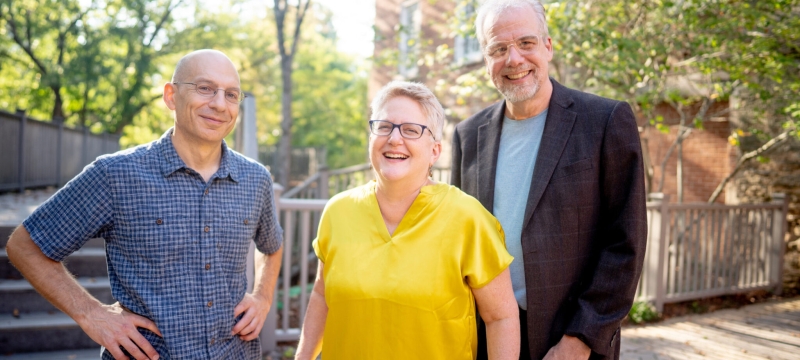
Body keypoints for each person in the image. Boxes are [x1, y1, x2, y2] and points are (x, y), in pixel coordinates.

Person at [6, 49, 283, 360]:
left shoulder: (255, 178)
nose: (219, 103)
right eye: (205, 88)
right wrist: (91, 314)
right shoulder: (115, 174)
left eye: (231, 94)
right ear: (170, 96)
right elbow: (24, 246)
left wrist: (262, 296)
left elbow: (272, 245)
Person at [450, 1, 648, 359]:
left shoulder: (604, 122)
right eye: (498, 49)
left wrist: (581, 339)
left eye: (526, 43)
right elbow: (456, 246)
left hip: (568, 340)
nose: (513, 59)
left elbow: (625, 243)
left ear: (548, 46)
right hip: (485, 341)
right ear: (485, 59)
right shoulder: (467, 136)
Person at [294, 81, 519, 360]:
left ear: (435, 151)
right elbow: (320, 295)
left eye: (412, 130)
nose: (394, 139)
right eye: (384, 126)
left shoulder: (468, 219)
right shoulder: (338, 211)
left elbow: (500, 318)